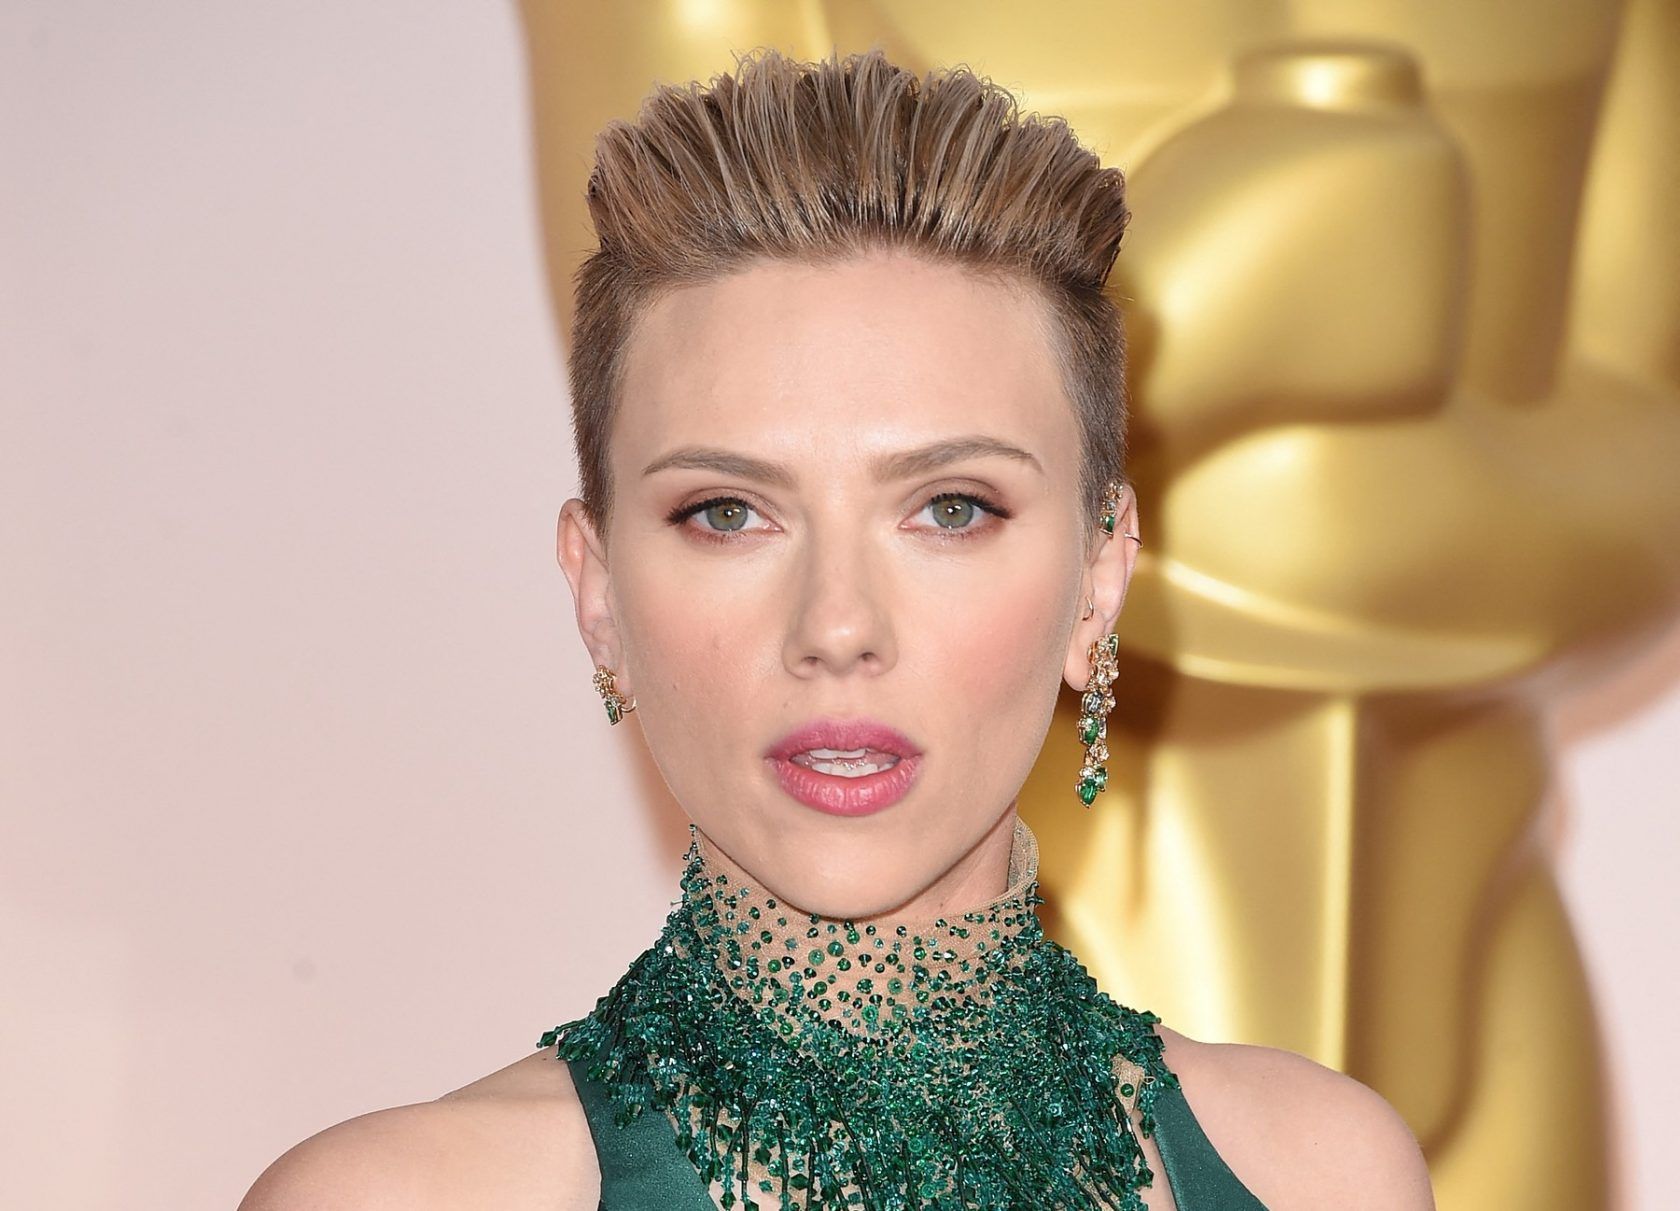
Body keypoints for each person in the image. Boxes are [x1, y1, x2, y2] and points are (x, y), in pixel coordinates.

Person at [240, 46, 1435, 1211]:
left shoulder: (1320, 1175)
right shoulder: (392, 1196)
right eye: (727, 512)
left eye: (951, 508)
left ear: (1098, 580)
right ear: (599, 593)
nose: (839, 625)